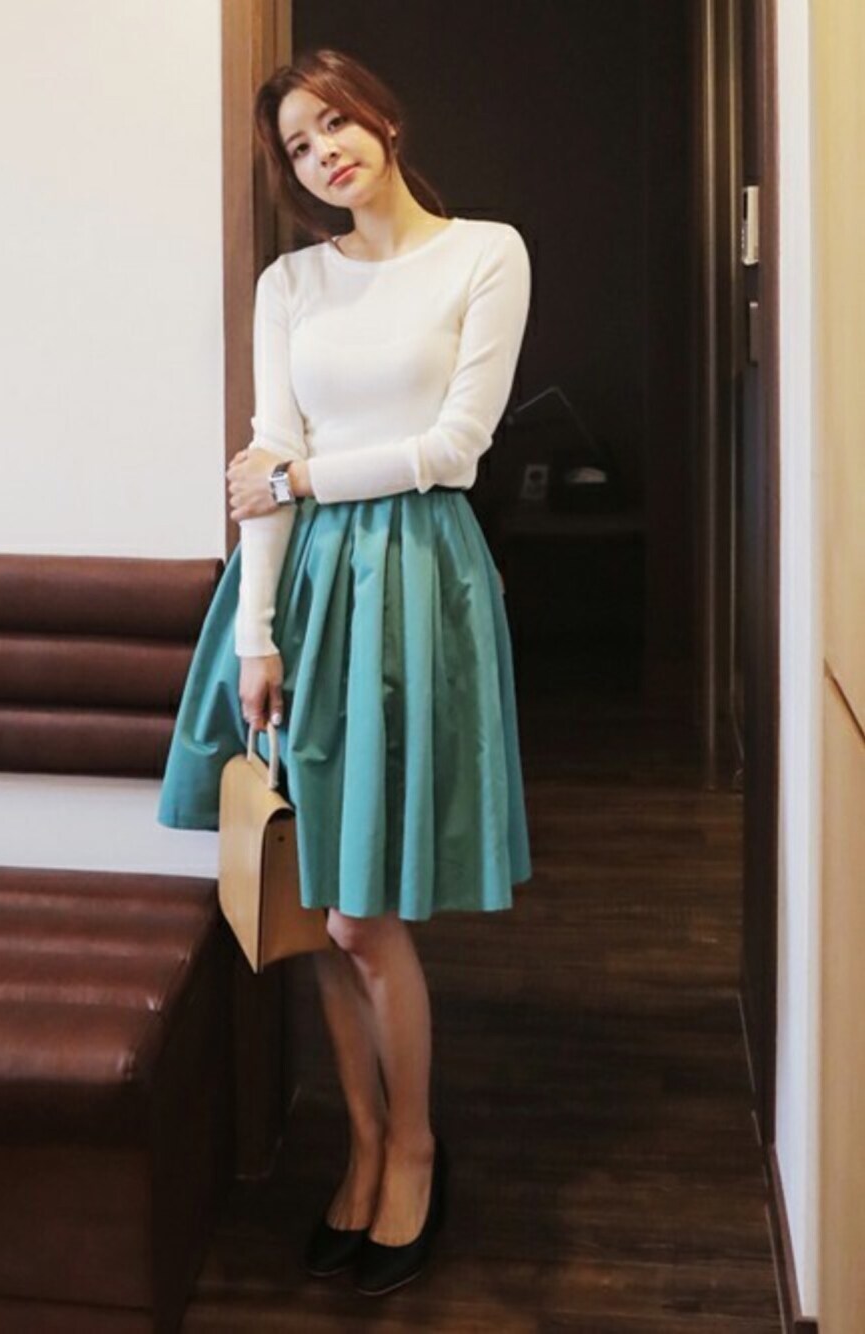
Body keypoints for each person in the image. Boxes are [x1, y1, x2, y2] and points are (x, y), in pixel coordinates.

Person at [157, 47, 533, 1298]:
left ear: (381, 116)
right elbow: (266, 453)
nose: (325, 152)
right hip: (309, 591)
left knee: (365, 909)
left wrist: (300, 477)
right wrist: (256, 634)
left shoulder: (484, 253)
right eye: (300, 144)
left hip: (418, 581)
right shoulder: (290, 283)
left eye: (335, 122)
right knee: (321, 900)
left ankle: (415, 1145)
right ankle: (363, 1141)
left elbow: (455, 446)